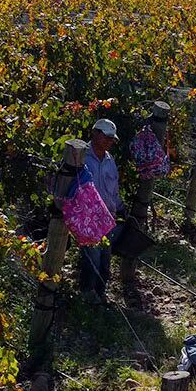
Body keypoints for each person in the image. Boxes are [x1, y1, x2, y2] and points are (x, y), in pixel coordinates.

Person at [79, 118, 122, 303]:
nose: (110, 142)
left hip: (107, 219)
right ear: (95, 134)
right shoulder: (81, 157)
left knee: (105, 261)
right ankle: (87, 296)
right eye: (107, 137)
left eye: (112, 139)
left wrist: (120, 207)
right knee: (92, 260)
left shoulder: (109, 160)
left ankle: (100, 295)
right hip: (88, 218)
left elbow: (114, 189)